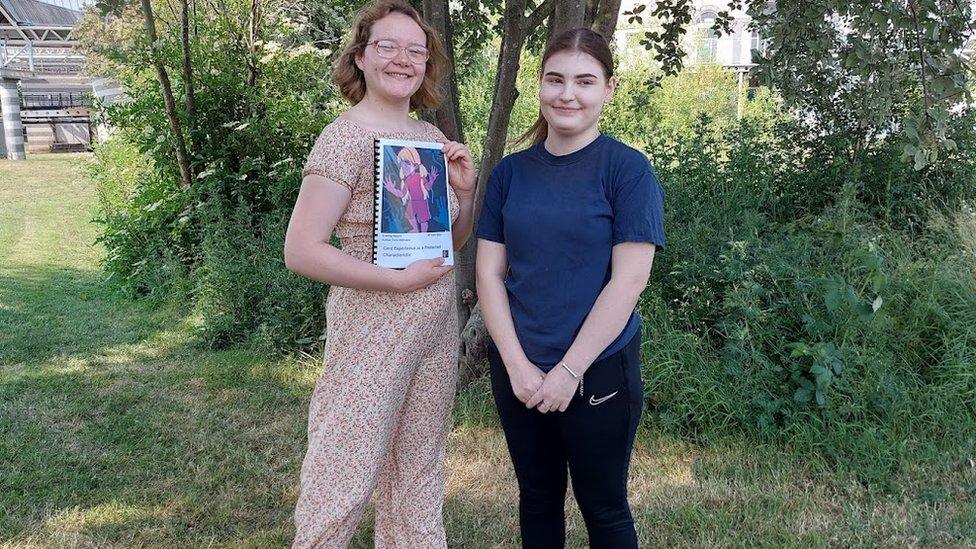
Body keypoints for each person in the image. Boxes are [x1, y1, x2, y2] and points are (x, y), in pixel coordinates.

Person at [282, 0, 476, 546]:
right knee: (344, 469)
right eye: (387, 46)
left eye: (416, 50)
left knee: (417, 471)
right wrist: (392, 282)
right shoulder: (344, 139)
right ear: (361, 58)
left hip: (433, 331)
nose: (402, 59)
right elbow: (301, 250)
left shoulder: (432, 140)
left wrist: (464, 194)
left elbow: (446, 247)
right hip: (371, 328)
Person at [475, 28, 666, 548]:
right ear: (539, 85)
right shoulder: (511, 173)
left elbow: (629, 282)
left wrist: (568, 372)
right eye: (555, 79)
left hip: (598, 368)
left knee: (603, 507)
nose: (568, 94)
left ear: (608, 89)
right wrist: (516, 364)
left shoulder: (627, 171)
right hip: (518, 367)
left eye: (585, 81)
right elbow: (488, 273)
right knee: (537, 497)